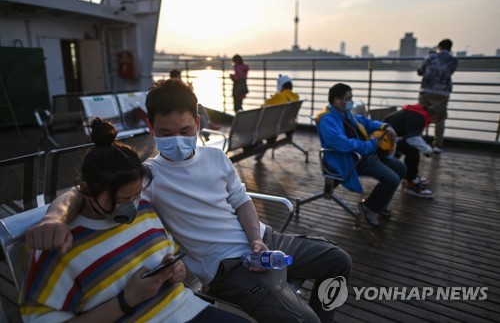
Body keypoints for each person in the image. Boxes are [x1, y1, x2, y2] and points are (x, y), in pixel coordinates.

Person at [26, 79, 351, 323]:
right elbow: (81, 191)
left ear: (198, 123)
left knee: (339, 262)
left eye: (185, 130)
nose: (177, 140)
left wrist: (256, 240)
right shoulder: (147, 176)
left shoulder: (216, 157)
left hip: (265, 241)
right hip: (230, 269)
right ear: (151, 128)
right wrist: (54, 219)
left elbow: (242, 202)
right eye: (165, 133)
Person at [20, 118, 249, 322]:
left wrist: (176, 269)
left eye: (136, 195)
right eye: (121, 199)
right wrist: (125, 301)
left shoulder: (145, 211)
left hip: (185, 307)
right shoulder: (59, 245)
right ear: (86, 191)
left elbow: (169, 252)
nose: (131, 206)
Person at [315, 83, 406, 227]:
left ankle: (379, 205)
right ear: (337, 100)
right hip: (350, 160)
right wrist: (369, 145)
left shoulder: (344, 113)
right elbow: (341, 144)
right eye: (348, 98)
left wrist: (385, 126)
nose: (351, 102)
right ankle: (370, 208)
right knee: (392, 179)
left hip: (365, 154)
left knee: (401, 168)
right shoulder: (327, 119)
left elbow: (364, 122)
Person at [384, 104, 435, 198]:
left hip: (390, 135)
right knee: (413, 152)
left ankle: (410, 177)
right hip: (388, 139)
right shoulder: (418, 117)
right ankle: (411, 184)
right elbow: (412, 138)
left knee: (411, 150)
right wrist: (428, 150)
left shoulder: (415, 112)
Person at [417, 39, 458, 154]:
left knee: (420, 115)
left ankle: (417, 140)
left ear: (438, 47)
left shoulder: (430, 57)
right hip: (443, 92)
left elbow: (420, 71)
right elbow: (450, 72)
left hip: (426, 90)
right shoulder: (453, 60)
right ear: (450, 49)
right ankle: (438, 145)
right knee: (440, 118)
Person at [169, 68, 220, 134]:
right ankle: (207, 130)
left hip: (183, 104)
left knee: (200, 109)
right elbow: (181, 97)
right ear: (176, 77)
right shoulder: (175, 85)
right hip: (180, 106)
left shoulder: (173, 84)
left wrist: (188, 88)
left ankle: (209, 125)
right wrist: (189, 89)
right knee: (200, 116)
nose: (180, 78)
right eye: (179, 76)